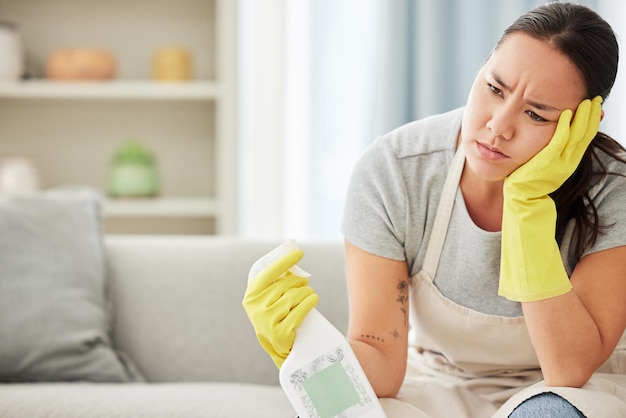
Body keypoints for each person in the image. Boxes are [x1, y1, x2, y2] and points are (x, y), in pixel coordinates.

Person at [243, 2, 626, 417]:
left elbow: (568, 369)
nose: (498, 126)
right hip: (437, 387)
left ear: (584, 124)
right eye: (494, 88)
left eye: (535, 113)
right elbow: (382, 362)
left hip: (568, 394)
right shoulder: (394, 170)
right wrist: (304, 349)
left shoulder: (613, 189)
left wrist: (528, 207)